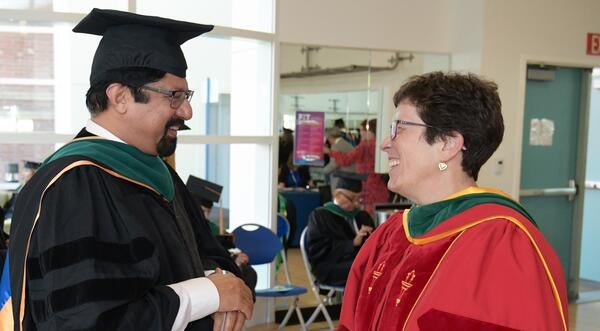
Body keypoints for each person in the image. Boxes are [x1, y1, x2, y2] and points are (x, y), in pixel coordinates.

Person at [6, 8, 252, 331]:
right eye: (174, 96)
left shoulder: (159, 176)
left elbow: (204, 254)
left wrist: (223, 286)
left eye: (186, 95)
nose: (188, 111)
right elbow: (88, 321)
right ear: (120, 97)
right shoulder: (72, 188)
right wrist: (208, 294)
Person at [337, 72, 568, 330]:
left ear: (448, 143)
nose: (384, 143)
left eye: (398, 128)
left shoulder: (501, 243)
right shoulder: (390, 235)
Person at [186, 175, 258, 292]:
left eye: (208, 212)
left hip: (218, 271)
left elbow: (222, 251)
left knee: (248, 273)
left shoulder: (212, 228)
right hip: (197, 277)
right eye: (203, 211)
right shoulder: (184, 227)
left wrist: (236, 258)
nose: (206, 216)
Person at [306, 174, 374, 286]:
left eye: (359, 198)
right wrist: (352, 243)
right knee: (364, 267)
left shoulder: (362, 216)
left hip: (355, 261)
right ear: (337, 195)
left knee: (379, 265)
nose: (356, 203)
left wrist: (371, 239)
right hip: (329, 265)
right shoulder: (320, 216)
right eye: (352, 199)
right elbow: (318, 251)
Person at [326, 119, 388, 216]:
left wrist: (329, 152)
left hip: (367, 185)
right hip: (380, 185)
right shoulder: (381, 144)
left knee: (367, 215)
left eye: (362, 130)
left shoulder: (365, 145)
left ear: (369, 131)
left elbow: (346, 160)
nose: (360, 133)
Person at [322, 127, 356, 193]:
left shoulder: (336, 146)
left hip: (341, 178)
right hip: (351, 177)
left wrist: (322, 172)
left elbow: (333, 165)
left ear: (330, 137)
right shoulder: (346, 144)